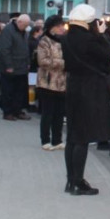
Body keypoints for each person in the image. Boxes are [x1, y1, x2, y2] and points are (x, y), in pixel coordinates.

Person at [60, 3, 110, 195]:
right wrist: (101, 35)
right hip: (89, 89)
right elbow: (107, 55)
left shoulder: (66, 38)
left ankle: (70, 180)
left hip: (73, 86)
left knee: (72, 136)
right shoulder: (90, 40)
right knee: (82, 137)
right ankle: (78, 182)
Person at [36, 15, 67, 151]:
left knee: (59, 113)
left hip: (61, 82)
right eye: (58, 26)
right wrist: (64, 63)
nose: (62, 28)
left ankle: (57, 140)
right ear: (51, 27)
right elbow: (43, 61)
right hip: (47, 82)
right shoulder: (44, 41)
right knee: (48, 112)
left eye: (62, 25)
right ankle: (45, 140)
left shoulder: (63, 41)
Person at [0, 13, 31, 121]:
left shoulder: (23, 32)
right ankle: (8, 112)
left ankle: (18, 110)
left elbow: (26, 48)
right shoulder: (8, 30)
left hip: (22, 66)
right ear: (19, 22)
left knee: (20, 90)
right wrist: (9, 65)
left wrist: (28, 62)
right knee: (8, 90)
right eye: (24, 25)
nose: (25, 28)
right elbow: (5, 49)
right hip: (11, 66)